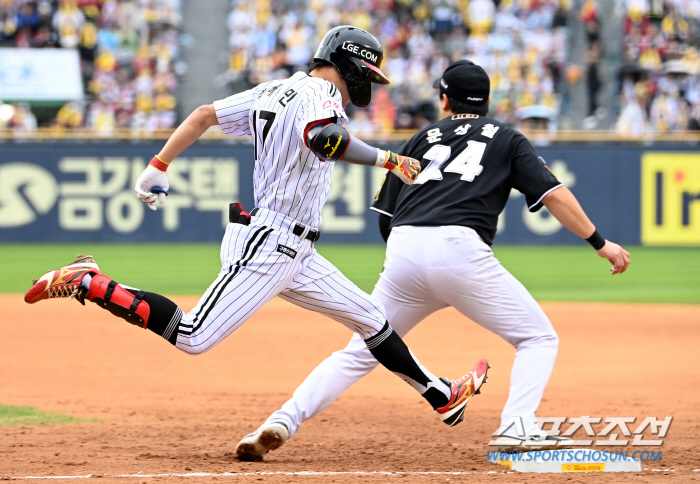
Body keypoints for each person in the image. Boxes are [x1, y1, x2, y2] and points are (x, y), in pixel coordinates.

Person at [24, 26, 488, 446]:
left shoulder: (276, 90)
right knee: (192, 335)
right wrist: (390, 160)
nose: (367, 83)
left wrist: (157, 166)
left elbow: (205, 114)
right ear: (348, 65)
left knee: (372, 319)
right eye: (366, 73)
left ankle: (440, 394)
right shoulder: (324, 92)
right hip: (271, 243)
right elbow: (324, 138)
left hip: (293, 247)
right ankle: (89, 281)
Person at [236, 59, 631, 460]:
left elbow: (386, 216)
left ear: (444, 100)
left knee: (361, 350)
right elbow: (555, 195)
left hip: (404, 250)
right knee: (537, 338)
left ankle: (283, 420)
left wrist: (405, 265)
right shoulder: (507, 137)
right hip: (461, 250)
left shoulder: (420, 139)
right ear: (488, 101)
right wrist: (601, 243)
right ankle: (517, 426)